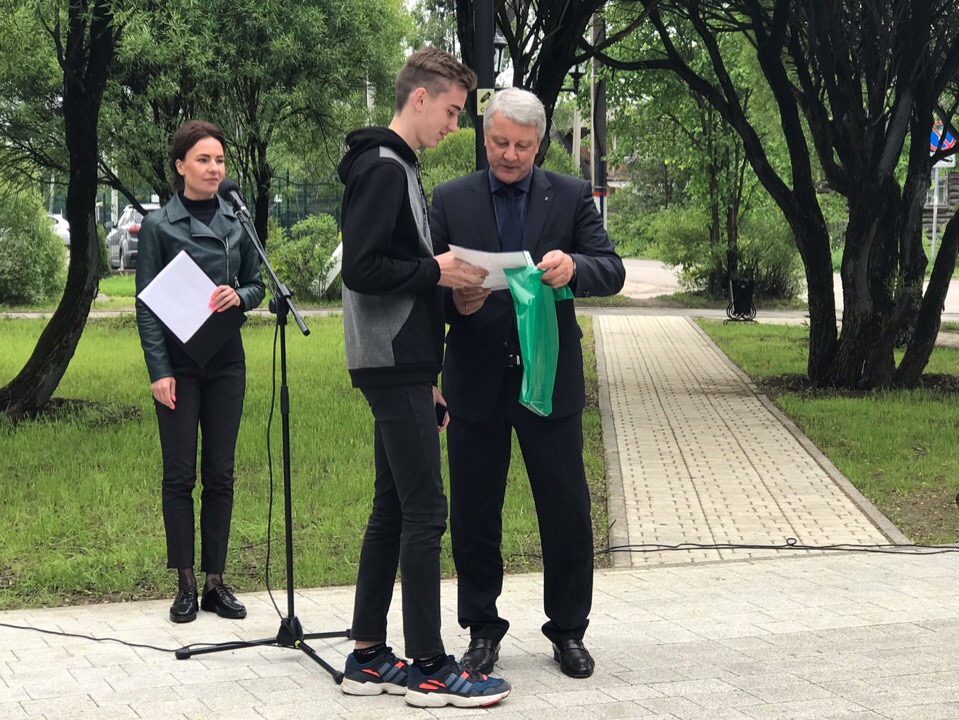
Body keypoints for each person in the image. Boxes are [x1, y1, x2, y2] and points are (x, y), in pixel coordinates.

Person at [429, 88, 626, 679]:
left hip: (550, 379)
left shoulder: (568, 194)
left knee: (566, 511)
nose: (510, 156)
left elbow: (611, 269)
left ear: (539, 144)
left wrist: (576, 267)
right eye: (499, 143)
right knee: (475, 513)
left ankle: (568, 631)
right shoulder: (450, 198)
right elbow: (423, 286)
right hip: (475, 380)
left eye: (522, 146)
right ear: (484, 136)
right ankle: (481, 630)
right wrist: (454, 302)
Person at [336, 47, 511, 708]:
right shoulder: (384, 167)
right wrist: (438, 270)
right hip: (390, 362)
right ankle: (431, 668)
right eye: (452, 111)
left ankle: (368, 656)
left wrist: (442, 307)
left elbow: (395, 272)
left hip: (401, 362)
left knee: (392, 507)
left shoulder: (396, 165)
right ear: (419, 98)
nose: (454, 125)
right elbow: (362, 270)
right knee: (425, 512)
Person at [135, 120, 265, 624]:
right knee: (179, 475)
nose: (214, 169)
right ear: (181, 166)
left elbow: (257, 284)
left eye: (220, 161)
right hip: (179, 366)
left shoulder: (238, 218)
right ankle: (185, 584)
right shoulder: (159, 225)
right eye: (204, 160)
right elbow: (147, 305)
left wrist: (241, 295)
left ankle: (215, 582)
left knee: (221, 474)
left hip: (226, 360)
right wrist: (159, 370)